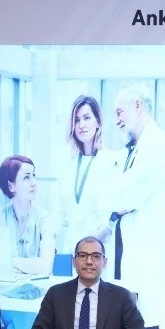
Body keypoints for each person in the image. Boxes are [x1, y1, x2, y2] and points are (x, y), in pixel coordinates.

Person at [109, 82, 165, 329]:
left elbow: (125, 195)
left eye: (120, 112)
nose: (116, 120)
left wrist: (115, 201)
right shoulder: (136, 148)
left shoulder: (158, 143)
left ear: (138, 106)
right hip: (135, 252)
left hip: (149, 253)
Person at [57, 96, 122, 255]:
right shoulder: (68, 165)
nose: (81, 125)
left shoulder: (112, 162)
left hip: (98, 251)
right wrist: (48, 237)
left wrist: (93, 243)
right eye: (77, 120)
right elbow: (59, 210)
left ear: (98, 122)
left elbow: (114, 213)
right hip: (72, 250)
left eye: (87, 118)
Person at [0, 154, 57, 277]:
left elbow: (46, 267)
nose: (34, 183)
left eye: (33, 175)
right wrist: (32, 266)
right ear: (11, 186)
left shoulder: (44, 218)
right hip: (4, 288)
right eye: (26, 177)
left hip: (39, 288)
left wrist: (9, 262)